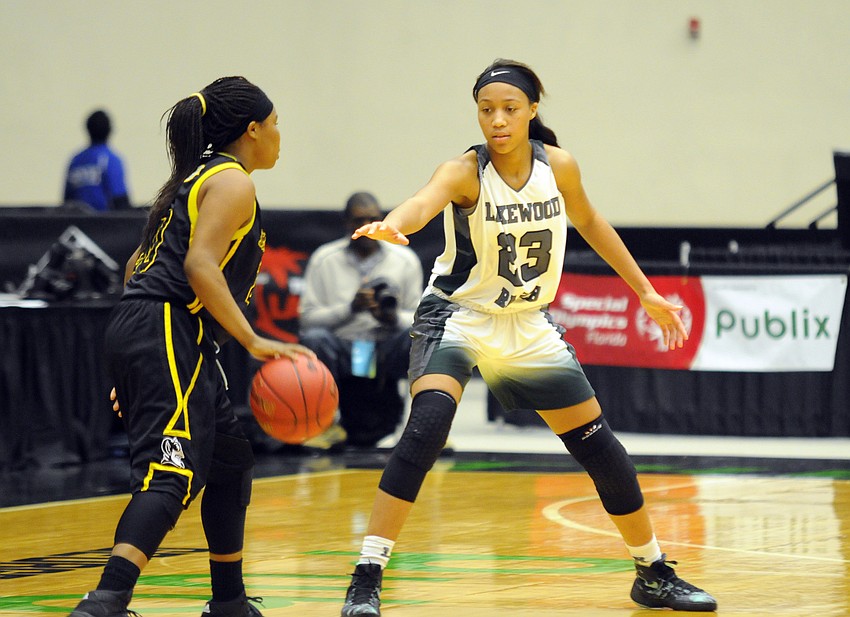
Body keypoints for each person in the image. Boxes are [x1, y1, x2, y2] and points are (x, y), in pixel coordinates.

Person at [340, 59, 717, 615]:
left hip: (527, 323)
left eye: (509, 109)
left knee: (600, 448)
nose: (497, 120)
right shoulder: (465, 171)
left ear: (532, 111)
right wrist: (396, 223)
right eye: (486, 110)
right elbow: (422, 203)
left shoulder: (558, 166)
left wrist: (645, 291)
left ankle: (652, 571)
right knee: (426, 429)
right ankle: (367, 575)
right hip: (458, 316)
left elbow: (592, 224)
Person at [69, 76, 313, 617]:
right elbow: (198, 265)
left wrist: (138, 367)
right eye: (275, 125)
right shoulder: (232, 182)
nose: (279, 135)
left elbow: (137, 265)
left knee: (229, 460)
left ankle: (229, 602)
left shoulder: (193, 177)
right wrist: (250, 339)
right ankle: (105, 602)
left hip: (160, 334)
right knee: (171, 475)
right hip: (166, 329)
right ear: (252, 130)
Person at [298, 191, 423, 448]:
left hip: (384, 346)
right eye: (359, 220)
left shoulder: (404, 260)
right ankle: (324, 426)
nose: (367, 227)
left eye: (373, 219)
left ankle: (422, 428)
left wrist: (390, 318)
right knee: (314, 339)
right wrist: (349, 309)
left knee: (425, 339)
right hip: (344, 347)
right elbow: (307, 320)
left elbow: (420, 320)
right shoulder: (325, 259)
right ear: (346, 222)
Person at [63, 109, 131, 212]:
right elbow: (120, 200)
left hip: (77, 224)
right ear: (109, 130)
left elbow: (67, 200)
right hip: (103, 224)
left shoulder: (75, 161)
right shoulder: (111, 160)